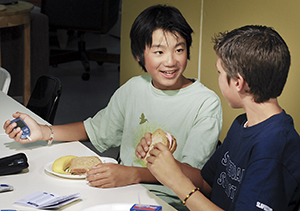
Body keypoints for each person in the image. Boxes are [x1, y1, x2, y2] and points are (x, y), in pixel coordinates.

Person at [3, 4, 222, 210]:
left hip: (167, 201)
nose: (171, 61)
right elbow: (94, 129)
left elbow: (198, 178)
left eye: (179, 50)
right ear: (139, 56)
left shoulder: (205, 103)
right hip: (121, 190)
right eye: (159, 52)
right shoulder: (134, 88)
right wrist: (43, 131)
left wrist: (133, 174)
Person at [137, 25, 300, 211]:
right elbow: (208, 183)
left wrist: (176, 182)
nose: (219, 79)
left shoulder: (274, 147)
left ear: (238, 83)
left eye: (220, 73)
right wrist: (165, 163)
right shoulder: (243, 124)